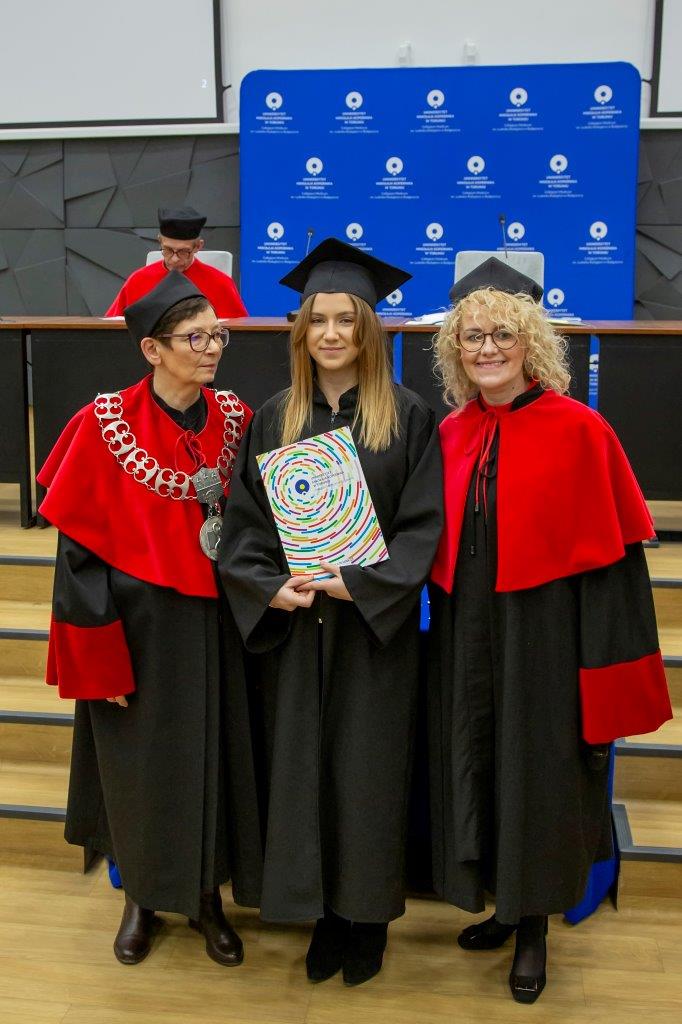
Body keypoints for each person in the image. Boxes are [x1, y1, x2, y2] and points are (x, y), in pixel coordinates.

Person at [428, 256, 672, 1003]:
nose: (488, 349)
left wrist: (603, 674)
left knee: (537, 772)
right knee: (479, 762)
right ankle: (503, 905)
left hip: (548, 638)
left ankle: (534, 926)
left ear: (531, 341)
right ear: (456, 349)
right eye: (473, 337)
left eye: (503, 334)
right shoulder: (452, 431)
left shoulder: (581, 430)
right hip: (469, 632)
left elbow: (614, 573)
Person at [218, 238, 443, 986]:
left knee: (367, 773)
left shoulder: (407, 417)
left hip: (372, 632)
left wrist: (365, 582)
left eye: (347, 319)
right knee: (304, 772)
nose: (332, 333)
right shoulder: (275, 417)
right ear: (301, 331)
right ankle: (321, 915)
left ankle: (366, 918)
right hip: (298, 630)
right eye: (318, 320)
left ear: (369, 329)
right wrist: (266, 586)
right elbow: (246, 526)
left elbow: (422, 526)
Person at [38, 271, 262, 966]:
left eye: (217, 335)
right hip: (135, 630)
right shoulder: (103, 424)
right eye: (195, 338)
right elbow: (78, 557)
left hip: (220, 624)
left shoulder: (237, 419)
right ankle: (140, 896)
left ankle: (206, 899)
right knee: (137, 768)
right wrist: (98, 659)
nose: (212, 348)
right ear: (152, 350)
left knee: (215, 760)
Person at [105, 206, 248, 318]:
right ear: (160, 241)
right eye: (168, 250)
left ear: (198, 246)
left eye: (183, 252)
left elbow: (241, 332)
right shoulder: (138, 280)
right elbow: (111, 326)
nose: (174, 259)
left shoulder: (220, 283)